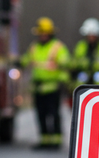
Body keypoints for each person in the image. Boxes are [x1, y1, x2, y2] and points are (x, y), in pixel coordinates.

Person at [20, 17, 71, 149]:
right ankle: (44, 139)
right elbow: (26, 60)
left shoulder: (57, 47)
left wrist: (63, 82)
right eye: (40, 33)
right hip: (38, 87)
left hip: (53, 87)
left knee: (54, 114)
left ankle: (56, 140)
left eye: (45, 33)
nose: (42, 36)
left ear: (50, 34)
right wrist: (19, 62)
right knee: (40, 114)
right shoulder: (34, 47)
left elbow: (65, 63)